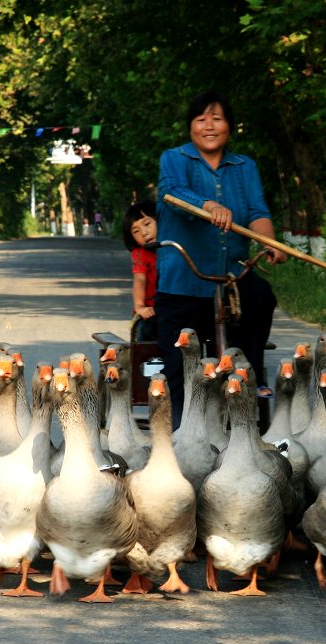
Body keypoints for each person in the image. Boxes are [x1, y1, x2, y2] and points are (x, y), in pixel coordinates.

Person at [155, 90, 286, 429]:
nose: (209, 126)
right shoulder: (174, 159)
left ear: (230, 126)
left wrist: (269, 242)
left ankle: (247, 387)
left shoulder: (245, 167)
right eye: (201, 120)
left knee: (261, 296)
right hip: (184, 277)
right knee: (177, 359)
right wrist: (209, 206)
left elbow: (257, 211)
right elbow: (172, 193)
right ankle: (182, 431)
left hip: (233, 278)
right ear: (190, 128)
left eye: (217, 118)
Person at [122, 200, 159, 342]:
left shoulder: (173, 247)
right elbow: (140, 279)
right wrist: (140, 306)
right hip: (150, 312)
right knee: (145, 334)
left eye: (147, 224)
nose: (144, 232)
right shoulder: (141, 254)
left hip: (174, 308)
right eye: (136, 231)